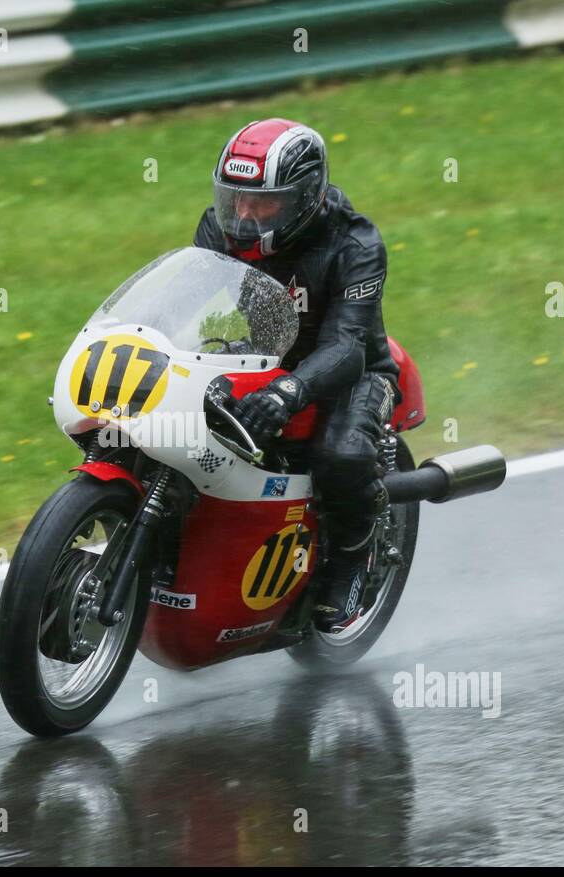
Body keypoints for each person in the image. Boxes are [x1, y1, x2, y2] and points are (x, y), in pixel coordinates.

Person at [192, 118, 400, 633]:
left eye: (262, 202)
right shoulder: (219, 229)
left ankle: (353, 554)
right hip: (265, 358)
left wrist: (289, 390)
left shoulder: (356, 244)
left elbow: (348, 346)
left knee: (342, 456)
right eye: (234, 198)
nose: (243, 214)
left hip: (353, 373)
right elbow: (187, 302)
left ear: (303, 197)